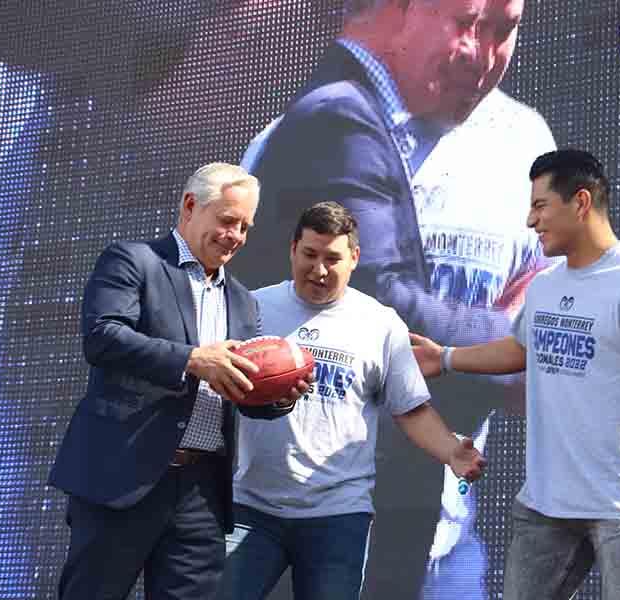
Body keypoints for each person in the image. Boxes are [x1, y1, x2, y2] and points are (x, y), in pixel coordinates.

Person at [235, 1, 538, 595]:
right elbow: (375, 301)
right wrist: (524, 349)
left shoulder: (519, 142)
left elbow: (539, 287)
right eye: (465, 23)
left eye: (503, 30)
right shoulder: (336, 122)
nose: (481, 53)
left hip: (424, 537)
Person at [411, 149, 620, 600]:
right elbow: (521, 349)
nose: (530, 221)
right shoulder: (546, 285)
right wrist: (447, 357)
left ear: (581, 202)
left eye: (540, 206)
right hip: (545, 507)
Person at [48, 163, 304, 599]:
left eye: (245, 226)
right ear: (190, 206)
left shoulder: (243, 303)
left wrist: (279, 396)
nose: (236, 235)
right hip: (123, 478)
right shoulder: (133, 261)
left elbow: (239, 391)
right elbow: (104, 337)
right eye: (227, 220)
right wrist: (192, 359)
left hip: (201, 493)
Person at [217, 201, 486, 600]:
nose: (319, 269)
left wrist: (452, 452)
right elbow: (217, 382)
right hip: (251, 507)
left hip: (337, 515)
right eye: (309, 254)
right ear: (292, 250)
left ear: (354, 258)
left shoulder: (380, 323)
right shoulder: (250, 308)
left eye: (332, 258)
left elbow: (411, 408)